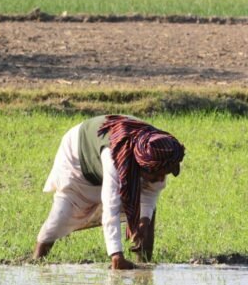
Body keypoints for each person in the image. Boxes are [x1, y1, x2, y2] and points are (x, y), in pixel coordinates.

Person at [33, 114, 185, 269]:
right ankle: (36, 261)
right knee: (64, 211)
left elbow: (151, 192)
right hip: (78, 154)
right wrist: (116, 255)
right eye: (157, 173)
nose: (161, 178)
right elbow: (111, 206)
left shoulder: (158, 150)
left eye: (164, 173)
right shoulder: (115, 157)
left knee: (146, 215)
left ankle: (145, 264)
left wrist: (143, 221)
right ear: (141, 166)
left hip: (118, 155)